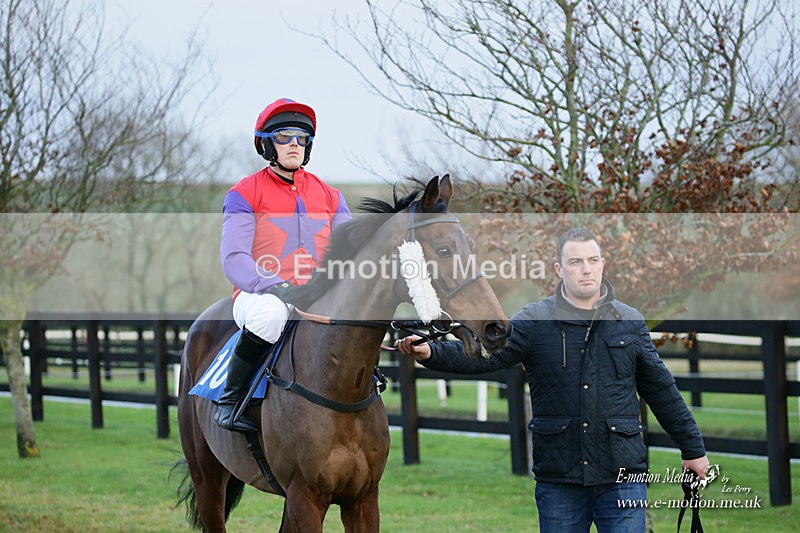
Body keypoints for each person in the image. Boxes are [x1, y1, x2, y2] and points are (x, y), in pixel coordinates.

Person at [395, 227, 709, 532]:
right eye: (575, 262)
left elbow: (662, 390)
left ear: (602, 263)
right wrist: (432, 353)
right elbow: (485, 356)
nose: (586, 269)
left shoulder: (628, 322)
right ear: (559, 268)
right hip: (559, 481)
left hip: (621, 478)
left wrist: (693, 449)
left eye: (592, 260)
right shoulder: (534, 321)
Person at [215, 98, 351, 432]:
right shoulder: (244, 194)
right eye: (284, 136)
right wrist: (275, 285)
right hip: (259, 295)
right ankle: (230, 402)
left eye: (301, 138)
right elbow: (234, 258)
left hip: (317, 296)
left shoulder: (331, 196)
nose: (294, 144)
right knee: (270, 314)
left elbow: (350, 251)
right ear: (265, 143)